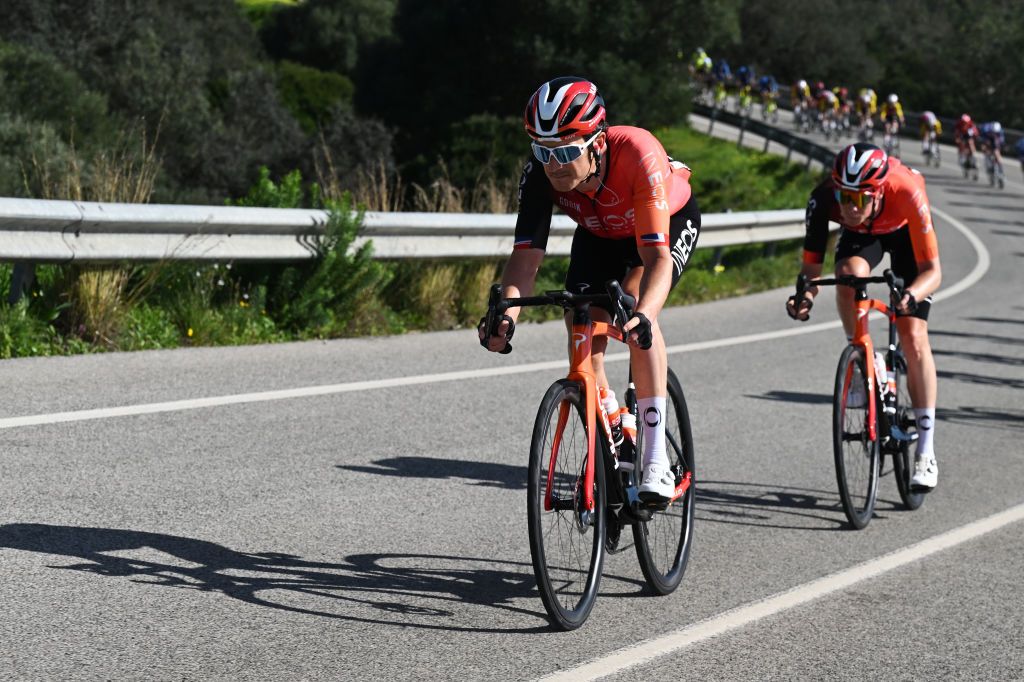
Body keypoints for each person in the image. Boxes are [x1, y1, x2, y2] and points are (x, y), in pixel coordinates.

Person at [479, 76, 702, 502]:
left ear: (597, 142)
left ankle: (655, 459)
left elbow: (655, 260)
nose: (554, 165)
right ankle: (614, 425)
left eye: (565, 152)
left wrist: (645, 315)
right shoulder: (541, 175)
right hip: (600, 233)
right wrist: (506, 315)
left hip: (662, 225)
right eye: (543, 152)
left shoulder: (638, 153)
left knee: (635, 314)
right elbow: (525, 261)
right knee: (579, 321)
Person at [787, 143, 942, 490]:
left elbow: (933, 270)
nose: (849, 208)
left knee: (914, 338)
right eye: (844, 197)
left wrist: (911, 295)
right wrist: (806, 297)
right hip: (863, 239)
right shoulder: (824, 199)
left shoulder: (907, 190)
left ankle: (926, 453)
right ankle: (861, 358)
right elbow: (811, 269)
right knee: (847, 274)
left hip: (904, 234)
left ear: (878, 191)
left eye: (858, 200)